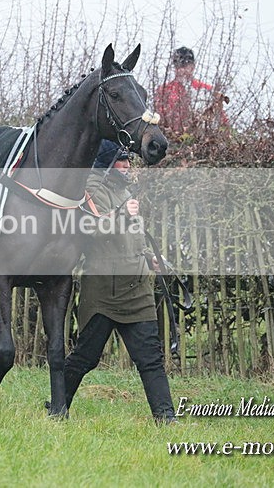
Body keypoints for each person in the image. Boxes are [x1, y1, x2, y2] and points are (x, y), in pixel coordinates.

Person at [57, 139, 176, 423]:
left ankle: (166, 418)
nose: (127, 165)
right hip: (104, 292)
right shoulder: (91, 190)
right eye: (121, 160)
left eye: (128, 159)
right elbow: (91, 229)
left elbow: (130, 238)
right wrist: (121, 214)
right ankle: (57, 407)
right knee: (85, 357)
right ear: (107, 163)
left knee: (150, 357)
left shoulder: (124, 190)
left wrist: (150, 257)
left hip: (136, 287)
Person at [154, 46, 229, 134]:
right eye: (177, 66)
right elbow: (159, 120)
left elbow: (222, 121)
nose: (181, 70)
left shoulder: (206, 90)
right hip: (170, 138)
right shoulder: (163, 91)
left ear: (193, 67)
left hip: (199, 139)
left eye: (184, 65)